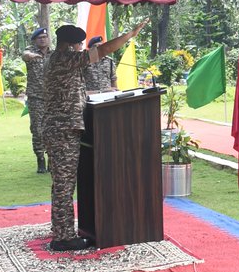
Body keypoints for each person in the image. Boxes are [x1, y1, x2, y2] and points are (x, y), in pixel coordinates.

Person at [44, 20, 148, 252]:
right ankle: (62, 238)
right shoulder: (65, 59)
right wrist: (129, 35)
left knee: (62, 183)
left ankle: (62, 230)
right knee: (63, 184)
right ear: (71, 45)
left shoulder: (57, 58)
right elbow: (102, 50)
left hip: (60, 128)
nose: (82, 48)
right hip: (63, 129)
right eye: (79, 44)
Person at [21, 27, 51, 173]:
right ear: (35, 40)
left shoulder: (54, 54)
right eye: (40, 38)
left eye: (45, 37)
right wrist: (32, 56)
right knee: (37, 130)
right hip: (36, 98)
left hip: (53, 98)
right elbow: (25, 55)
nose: (43, 39)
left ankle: (52, 158)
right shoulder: (30, 51)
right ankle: (40, 158)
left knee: (53, 129)